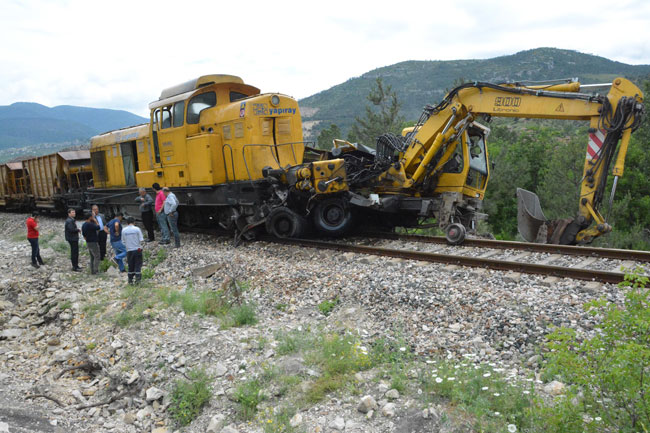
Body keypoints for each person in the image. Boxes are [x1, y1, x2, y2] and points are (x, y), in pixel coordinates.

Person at [122, 216, 144, 285]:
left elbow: (123, 241)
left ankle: (130, 280)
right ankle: (138, 281)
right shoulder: (137, 229)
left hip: (129, 250)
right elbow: (141, 240)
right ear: (134, 222)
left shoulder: (124, 230)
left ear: (127, 222)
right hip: (137, 249)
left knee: (130, 265)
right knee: (138, 265)